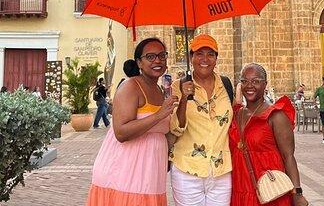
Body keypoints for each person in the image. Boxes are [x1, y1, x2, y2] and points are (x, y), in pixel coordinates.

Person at [86, 37, 178, 206]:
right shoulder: (130, 86)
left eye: (162, 55)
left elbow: (163, 133)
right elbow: (121, 132)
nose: (157, 60)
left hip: (151, 174)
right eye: (150, 57)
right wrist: (159, 114)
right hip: (125, 173)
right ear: (139, 63)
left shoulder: (159, 89)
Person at [229, 63, 308, 206]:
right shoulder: (236, 114)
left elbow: (288, 157)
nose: (249, 86)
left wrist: (297, 193)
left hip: (269, 191)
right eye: (244, 81)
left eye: (255, 81)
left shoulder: (276, 116)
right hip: (240, 189)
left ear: (265, 84)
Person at [170, 34, 233, 206]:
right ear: (191, 57)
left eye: (210, 54)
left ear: (216, 58)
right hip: (187, 170)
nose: (205, 59)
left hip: (221, 170)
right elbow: (176, 128)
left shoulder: (226, 85)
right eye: (199, 53)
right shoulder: (178, 86)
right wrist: (184, 98)